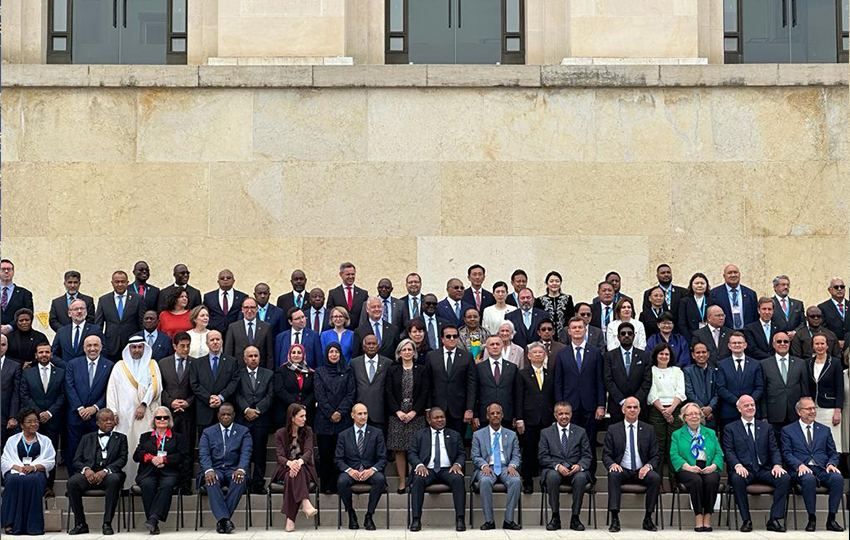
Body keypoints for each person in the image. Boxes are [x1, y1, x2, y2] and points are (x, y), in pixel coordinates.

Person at [722, 395, 790, 532]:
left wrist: (777, 465)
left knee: (784, 478)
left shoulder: (766, 427)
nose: (750, 407)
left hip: (764, 469)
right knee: (737, 479)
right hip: (744, 470)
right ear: (739, 408)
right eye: (746, 405)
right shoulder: (730, 428)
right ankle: (746, 520)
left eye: (752, 405)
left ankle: (774, 519)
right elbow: (728, 451)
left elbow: (774, 449)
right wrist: (737, 465)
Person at [553, 316, 605, 482]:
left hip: (590, 405)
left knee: (589, 441)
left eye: (580, 327)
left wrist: (601, 405)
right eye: (574, 328)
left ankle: (590, 476)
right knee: (571, 442)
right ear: (569, 331)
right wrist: (560, 406)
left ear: (585, 330)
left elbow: (600, 381)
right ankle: (571, 475)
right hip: (569, 407)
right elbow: (558, 382)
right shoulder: (562, 354)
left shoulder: (595, 352)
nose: (577, 330)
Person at [780, 397, 845, 532]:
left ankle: (831, 520)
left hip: (821, 468)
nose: (812, 411)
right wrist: (799, 465)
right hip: (800, 470)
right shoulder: (788, 430)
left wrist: (831, 464)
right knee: (808, 479)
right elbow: (786, 454)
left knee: (837, 478)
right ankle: (812, 519)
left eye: (814, 408)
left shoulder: (824, 430)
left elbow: (833, 453)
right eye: (808, 408)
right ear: (799, 412)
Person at [106, 335, 162, 488]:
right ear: (128, 349)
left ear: (144, 348)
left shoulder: (152, 364)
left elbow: (156, 387)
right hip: (123, 417)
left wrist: (143, 404)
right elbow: (111, 391)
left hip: (145, 415)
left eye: (140, 347)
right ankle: (124, 484)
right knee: (126, 447)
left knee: (144, 446)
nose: (137, 350)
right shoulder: (119, 366)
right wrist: (113, 412)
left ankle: (144, 482)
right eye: (134, 347)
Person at [602, 397, 661, 532]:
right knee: (613, 475)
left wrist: (648, 466)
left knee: (655, 478)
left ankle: (648, 518)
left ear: (640, 410)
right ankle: (615, 518)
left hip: (641, 470)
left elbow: (656, 455)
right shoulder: (613, 429)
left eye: (635, 407)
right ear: (623, 410)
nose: (632, 410)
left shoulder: (649, 429)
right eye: (629, 407)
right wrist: (612, 464)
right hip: (622, 469)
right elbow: (606, 454)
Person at [67, 408, 128, 535]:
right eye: (105, 420)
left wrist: (105, 471)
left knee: (114, 480)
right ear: (98, 423)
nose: (109, 422)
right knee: (72, 482)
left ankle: (107, 523)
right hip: (89, 474)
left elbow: (122, 460)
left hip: (109, 475)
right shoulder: (86, 438)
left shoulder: (121, 438)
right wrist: (86, 470)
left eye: (111, 419)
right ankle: (80, 523)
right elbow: (77, 460)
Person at [407, 407, 467, 532]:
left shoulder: (454, 435)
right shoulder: (419, 435)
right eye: (436, 418)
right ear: (429, 420)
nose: (440, 420)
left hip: (448, 470)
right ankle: (416, 519)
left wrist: (457, 464)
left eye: (442, 417)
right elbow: (412, 453)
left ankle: (460, 519)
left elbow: (462, 454)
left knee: (458, 479)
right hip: (427, 469)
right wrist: (419, 465)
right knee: (418, 479)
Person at [198, 403, 252, 534]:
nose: (226, 417)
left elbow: (246, 453)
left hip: (234, 469)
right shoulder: (208, 432)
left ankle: (222, 520)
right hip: (215, 469)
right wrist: (208, 470)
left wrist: (241, 469)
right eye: (223, 414)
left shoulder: (243, 431)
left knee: (239, 479)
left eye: (229, 414)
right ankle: (225, 521)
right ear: (218, 416)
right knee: (211, 480)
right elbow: (203, 454)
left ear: (234, 415)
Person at [0, 408, 56, 535]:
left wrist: (34, 467)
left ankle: (33, 525)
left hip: (36, 471)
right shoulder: (12, 440)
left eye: (36, 421)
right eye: (29, 422)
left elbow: (50, 461)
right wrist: (17, 467)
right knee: (12, 480)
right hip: (16, 470)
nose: (34, 424)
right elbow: (5, 460)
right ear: (21, 425)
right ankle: (10, 523)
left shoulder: (45, 441)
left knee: (34, 479)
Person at [670, 402, 724, 532]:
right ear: (684, 417)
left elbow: (719, 453)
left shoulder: (710, 433)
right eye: (690, 414)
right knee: (696, 480)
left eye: (697, 413)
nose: (694, 416)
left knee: (711, 480)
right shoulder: (677, 434)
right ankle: (698, 516)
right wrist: (687, 467)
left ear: (701, 416)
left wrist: (714, 466)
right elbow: (674, 454)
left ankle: (708, 516)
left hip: (708, 467)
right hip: (687, 469)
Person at [19, 343, 64, 496]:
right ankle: (32, 484)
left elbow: (62, 395)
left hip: (53, 420)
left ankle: (48, 486)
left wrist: (49, 413)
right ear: (36, 355)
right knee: (33, 452)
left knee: (50, 453)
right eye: (41, 352)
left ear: (51, 354)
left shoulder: (60, 372)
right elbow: (24, 395)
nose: (44, 354)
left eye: (47, 352)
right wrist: (38, 414)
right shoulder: (27, 373)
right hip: (33, 421)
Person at [538, 401, 592, 531]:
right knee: (552, 477)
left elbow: (587, 455)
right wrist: (557, 466)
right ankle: (555, 517)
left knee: (581, 478)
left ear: (571, 414)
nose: (564, 416)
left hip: (575, 470)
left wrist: (579, 466)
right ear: (555, 415)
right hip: (555, 469)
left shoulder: (580, 432)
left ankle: (575, 518)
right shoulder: (546, 433)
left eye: (567, 413)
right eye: (561, 414)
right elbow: (542, 456)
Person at [64, 335, 114, 473]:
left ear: (101, 347)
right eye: (89, 345)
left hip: (97, 417)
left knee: (96, 449)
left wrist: (95, 408)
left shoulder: (109, 365)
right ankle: (74, 478)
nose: (92, 348)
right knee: (74, 449)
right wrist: (80, 408)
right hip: (76, 415)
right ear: (84, 348)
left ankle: (94, 477)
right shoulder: (73, 364)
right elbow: (69, 387)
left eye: (95, 345)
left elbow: (109, 390)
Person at [335, 403, 388, 531]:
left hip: (369, 470)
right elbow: (338, 459)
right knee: (342, 481)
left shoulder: (377, 433)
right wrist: (349, 470)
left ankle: (369, 515)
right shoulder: (343, 435)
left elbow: (383, 458)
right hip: (351, 471)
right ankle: (351, 513)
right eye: (359, 414)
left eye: (365, 413)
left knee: (380, 479)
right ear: (352, 415)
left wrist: (372, 470)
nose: (363, 416)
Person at [386, 339, 429, 493]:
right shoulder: (393, 370)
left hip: (415, 413)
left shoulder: (421, 369)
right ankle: (402, 482)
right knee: (399, 449)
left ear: (414, 352)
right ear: (399, 353)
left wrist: (414, 411)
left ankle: (414, 480)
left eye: (410, 349)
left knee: (415, 448)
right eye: (403, 350)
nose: (407, 352)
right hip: (397, 413)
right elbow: (388, 392)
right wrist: (397, 411)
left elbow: (425, 392)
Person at [134, 407, 186, 534]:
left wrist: (164, 460)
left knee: (167, 485)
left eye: (165, 417)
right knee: (147, 485)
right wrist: (151, 458)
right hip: (148, 472)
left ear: (169, 420)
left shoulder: (178, 437)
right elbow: (137, 455)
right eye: (158, 417)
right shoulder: (145, 437)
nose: (162, 420)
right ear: (154, 420)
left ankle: (153, 519)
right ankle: (154, 522)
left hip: (169, 472)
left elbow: (181, 456)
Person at [471, 403, 522, 530]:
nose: (495, 415)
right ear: (487, 416)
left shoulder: (511, 434)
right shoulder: (478, 435)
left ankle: (508, 520)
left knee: (516, 481)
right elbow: (475, 456)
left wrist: (512, 465)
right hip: (487, 467)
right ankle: (489, 521)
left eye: (498, 413)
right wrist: (483, 465)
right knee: (485, 481)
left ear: (502, 415)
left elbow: (516, 455)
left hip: (505, 467)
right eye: (492, 413)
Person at [314, 343, 355, 493]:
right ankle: (327, 486)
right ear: (326, 354)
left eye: (336, 352)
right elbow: (319, 395)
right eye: (331, 352)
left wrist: (340, 412)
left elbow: (350, 394)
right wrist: (330, 413)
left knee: (341, 455)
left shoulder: (348, 371)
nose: (333, 354)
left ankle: (340, 485)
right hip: (324, 421)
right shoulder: (319, 372)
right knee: (325, 455)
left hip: (343, 421)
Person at [514, 342, 555, 493]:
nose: (538, 355)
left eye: (540, 352)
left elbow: (553, 396)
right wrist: (519, 418)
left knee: (545, 450)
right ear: (529, 356)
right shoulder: (522, 374)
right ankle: (527, 481)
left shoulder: (550, 373)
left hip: (547, 418)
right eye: (534, 352)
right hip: (529, 419)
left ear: (545, 355)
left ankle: (545, 481)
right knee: (529, 449)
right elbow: (518, 397)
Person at [271, 403, 318, 532]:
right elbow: (279, 456)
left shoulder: (308, 431)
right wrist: (290, 463)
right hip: (285, 468)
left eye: (305, 416)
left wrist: (299, 462)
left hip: (304, 468)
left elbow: (309, 451)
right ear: (292, 418)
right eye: (301, 416)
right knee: (293, 473)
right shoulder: (280, 433)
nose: (305, 419)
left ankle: (290, 519)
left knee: (293, 475)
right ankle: (305, 502)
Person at [157, 331, 195, 493]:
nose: (185, 349)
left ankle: (185, 485)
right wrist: (170, 402)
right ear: (174, 346)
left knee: (187, 450)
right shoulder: (163, 363)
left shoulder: (195, 363)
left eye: (188, 346)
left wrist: (188, 402)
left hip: (187, 414)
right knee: (169, 449)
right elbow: (160, 388)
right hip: (169, 414)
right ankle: (170, 483)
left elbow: (197, 387)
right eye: (182, 346)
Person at [235, 346, 274, 494]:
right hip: (243, 419)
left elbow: (270, 395)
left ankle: (258, 483)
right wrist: (246, 409)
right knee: (244, 452)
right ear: (245, 359)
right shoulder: (238, 374)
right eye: (250, 356)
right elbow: (237, 394)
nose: (253, 358)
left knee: (260, 453)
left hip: (261, 420)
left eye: (256, 356)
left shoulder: (268, 374)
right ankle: (243, 483)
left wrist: (257, 410)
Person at [647, 342, 686, 484]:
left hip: (675, 410)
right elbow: (652, 392)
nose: (664, 356)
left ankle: (674, 481)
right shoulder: (650, 370)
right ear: (656, 355)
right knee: (658, 446)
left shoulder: (677, 371)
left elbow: (681, 392)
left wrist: (670, 409)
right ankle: (658, 482)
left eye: (667, 354)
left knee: (673, 446)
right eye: (661, 354)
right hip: (656, 410)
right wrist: (663, 410)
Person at [426, 325, 474, 437]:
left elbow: (471, 384)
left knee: (457, 441)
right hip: (437, 408)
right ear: (442, 339)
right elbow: (428, 384)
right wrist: (428, 407)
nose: (452, 339)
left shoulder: (467, 357)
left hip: (459, 409)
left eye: (455, 336)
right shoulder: (432, 356)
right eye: (448, 336)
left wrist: (469, 408)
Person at [190, 330, 239, 435]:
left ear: (222, 342)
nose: (215, 342)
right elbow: (194, 384)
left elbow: (234, 382)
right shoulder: (197, 363)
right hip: (204, 411)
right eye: (212, 340)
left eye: (218, 339)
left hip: (225, 411)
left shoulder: (232, 362)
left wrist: (221, 397)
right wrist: (209, 398)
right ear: (207, 343)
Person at [762, 332, 810, 436]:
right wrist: (764, 415)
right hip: (774, 414)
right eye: (779, 341)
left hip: (795, 413)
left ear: (789, 344)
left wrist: (805, 411)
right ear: (773, 344)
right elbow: (763, 391)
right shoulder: (764, 364)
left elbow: (805, 390)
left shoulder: (800, 363)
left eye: (786, 341)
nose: (782, 344)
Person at [604, 321, 652, 424]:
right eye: (623, 333)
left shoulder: (644, 356)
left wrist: (635, 401)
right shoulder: (609, 356)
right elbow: (608, 380)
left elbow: (647, 380)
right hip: (617, 405)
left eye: (629, 333)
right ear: (618, 337)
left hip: (639, 406)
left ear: (634, 336)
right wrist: (622, 401)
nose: (626, 336)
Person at [715, 332, 764, 432]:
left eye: (740, 343)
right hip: (730, 411)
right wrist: (738, 402)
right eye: (734, 343)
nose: (737, 345)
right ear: (729, 346)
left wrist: (748, 403)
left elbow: (759, 387)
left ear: (745, 345)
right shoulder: (722, 365)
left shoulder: (756, 364)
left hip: (751, 411)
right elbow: (721, 388)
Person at [470, 335, 520, 428]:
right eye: (492, 344)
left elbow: (516, 393)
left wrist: (516, 416)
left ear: (502, 346)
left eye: (497, 344)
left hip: (507, 415)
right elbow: (474, 392)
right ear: (487, 347)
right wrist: (475, 415)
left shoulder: (512, 368)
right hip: (484, 415)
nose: (495, 346)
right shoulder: (478, 368)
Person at [807, 333, 844, 454]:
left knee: (833, 442)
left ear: (827, 345)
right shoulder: (808, 363)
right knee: (817, 442)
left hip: (830, 409)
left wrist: (838, 410)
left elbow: (840, 387)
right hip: (813, 409)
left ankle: (833, 465)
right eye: (816, 344)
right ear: (813, 346)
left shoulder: (835, 363)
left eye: (822, 343)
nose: (820, 346)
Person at [95, 270, 144, 360]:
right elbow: (99, 325)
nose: (120, 284)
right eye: (117, 282)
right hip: (111, 345)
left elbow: (141, 323)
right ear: (112, 283)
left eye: (122, 282)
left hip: (132, 345)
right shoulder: (104, 300)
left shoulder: (137, 299)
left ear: (127, 283)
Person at [350, 335, 391, 435]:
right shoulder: (354, 363)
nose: (371, 346)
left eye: (374, 344)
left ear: (378, 346)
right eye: (369, 344)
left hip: (380, 414)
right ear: (364, 347)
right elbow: (352, 388)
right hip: (360, 413)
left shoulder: (387, 363)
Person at [273, 343, 315, 429]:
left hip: (306, 412)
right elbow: (279, 390)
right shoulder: (281, 370)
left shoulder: (310, 372)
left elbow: (313, 391)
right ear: (289, 354)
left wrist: (304, 405)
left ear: (303, 355)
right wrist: (296, 405)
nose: (296, 355)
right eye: (293, 352)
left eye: (299, 353)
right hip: (286, 411)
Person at [224, 297, 274, 369]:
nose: (249, 310)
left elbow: (270, 355)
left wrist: (269, 373)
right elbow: (228, 353)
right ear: (242, 309)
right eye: (246, 307)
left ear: (257, 309)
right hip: (239, 371)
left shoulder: (266, 327)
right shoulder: (233, 327)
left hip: (261, 371)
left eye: (252, 307)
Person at [51, 298, 102, 364]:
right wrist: (66, 366)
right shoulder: (61, 331)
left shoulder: (95, 330)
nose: (79, 311)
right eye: (76, 309)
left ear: (86, 312)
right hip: (66, 369)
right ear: (69, 313)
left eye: (82, 308)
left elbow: (103, 352)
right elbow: (53, 354)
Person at [683, 342, 718, 428]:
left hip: (712, 414)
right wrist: (702, 409)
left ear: (708, 354)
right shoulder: (688, 371)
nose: (701, 355)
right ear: (693, 355)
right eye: (698, 352)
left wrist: (710, 408)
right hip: (694, 414)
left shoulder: (715, 371)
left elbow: (718, 392)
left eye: (704, 352)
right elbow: (689, 392)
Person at [202, 269, 247, 335]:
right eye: (222, 278)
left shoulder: (242, 297)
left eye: (228, 278)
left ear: (234, 281)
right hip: (213, 333)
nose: (225, 280)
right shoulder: (208, 297)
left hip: (235, 333)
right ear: (218, 281)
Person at [326, 262, 369, 330]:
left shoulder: (363, 294)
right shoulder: (333, 293)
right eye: (348, 274)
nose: (351, 277)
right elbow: (330, 314)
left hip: (359, 331)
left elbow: (367, 314)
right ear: (341, 275)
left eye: (353, 274)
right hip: (340, 331)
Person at [534, 271, 575, 338]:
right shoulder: (539, 300)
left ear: (560, 283)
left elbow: (571, 317)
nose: (554, 283)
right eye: (551, 281)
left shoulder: (568, 298)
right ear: (547, 283)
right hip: (546, 335)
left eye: (557, 281)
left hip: (565, 335)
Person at [0, 259, 34, 333]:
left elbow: (29, 314)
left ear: (13, 272)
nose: (6, 271)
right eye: (3, 269)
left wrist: (10, 327)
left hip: (17, 335)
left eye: (9, 269)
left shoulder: (25, 294)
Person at [0, 336, 21, 445]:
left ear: (7, 346)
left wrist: (13, 416)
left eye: (3, 345)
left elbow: (16, 393)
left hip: (3, 416)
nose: (0, 348)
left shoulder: (14, 366)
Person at [817, 277, 849, 350]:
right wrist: (836, 342)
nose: (839, 289)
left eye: (842, 287)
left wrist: (847, 342)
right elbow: (823, 328)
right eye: (836, 287)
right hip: (832, 346)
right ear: (830, 290)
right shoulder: (822, 307)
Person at [678, 272, 711, 342]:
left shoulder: (711, 300)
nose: (699, 285)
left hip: (709, 337)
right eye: (696, 283)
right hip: (691, 337)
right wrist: (690, 339)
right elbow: (682, 323)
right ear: (691, 285)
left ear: (707, 285)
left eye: (702, 283)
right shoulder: (685, 302)